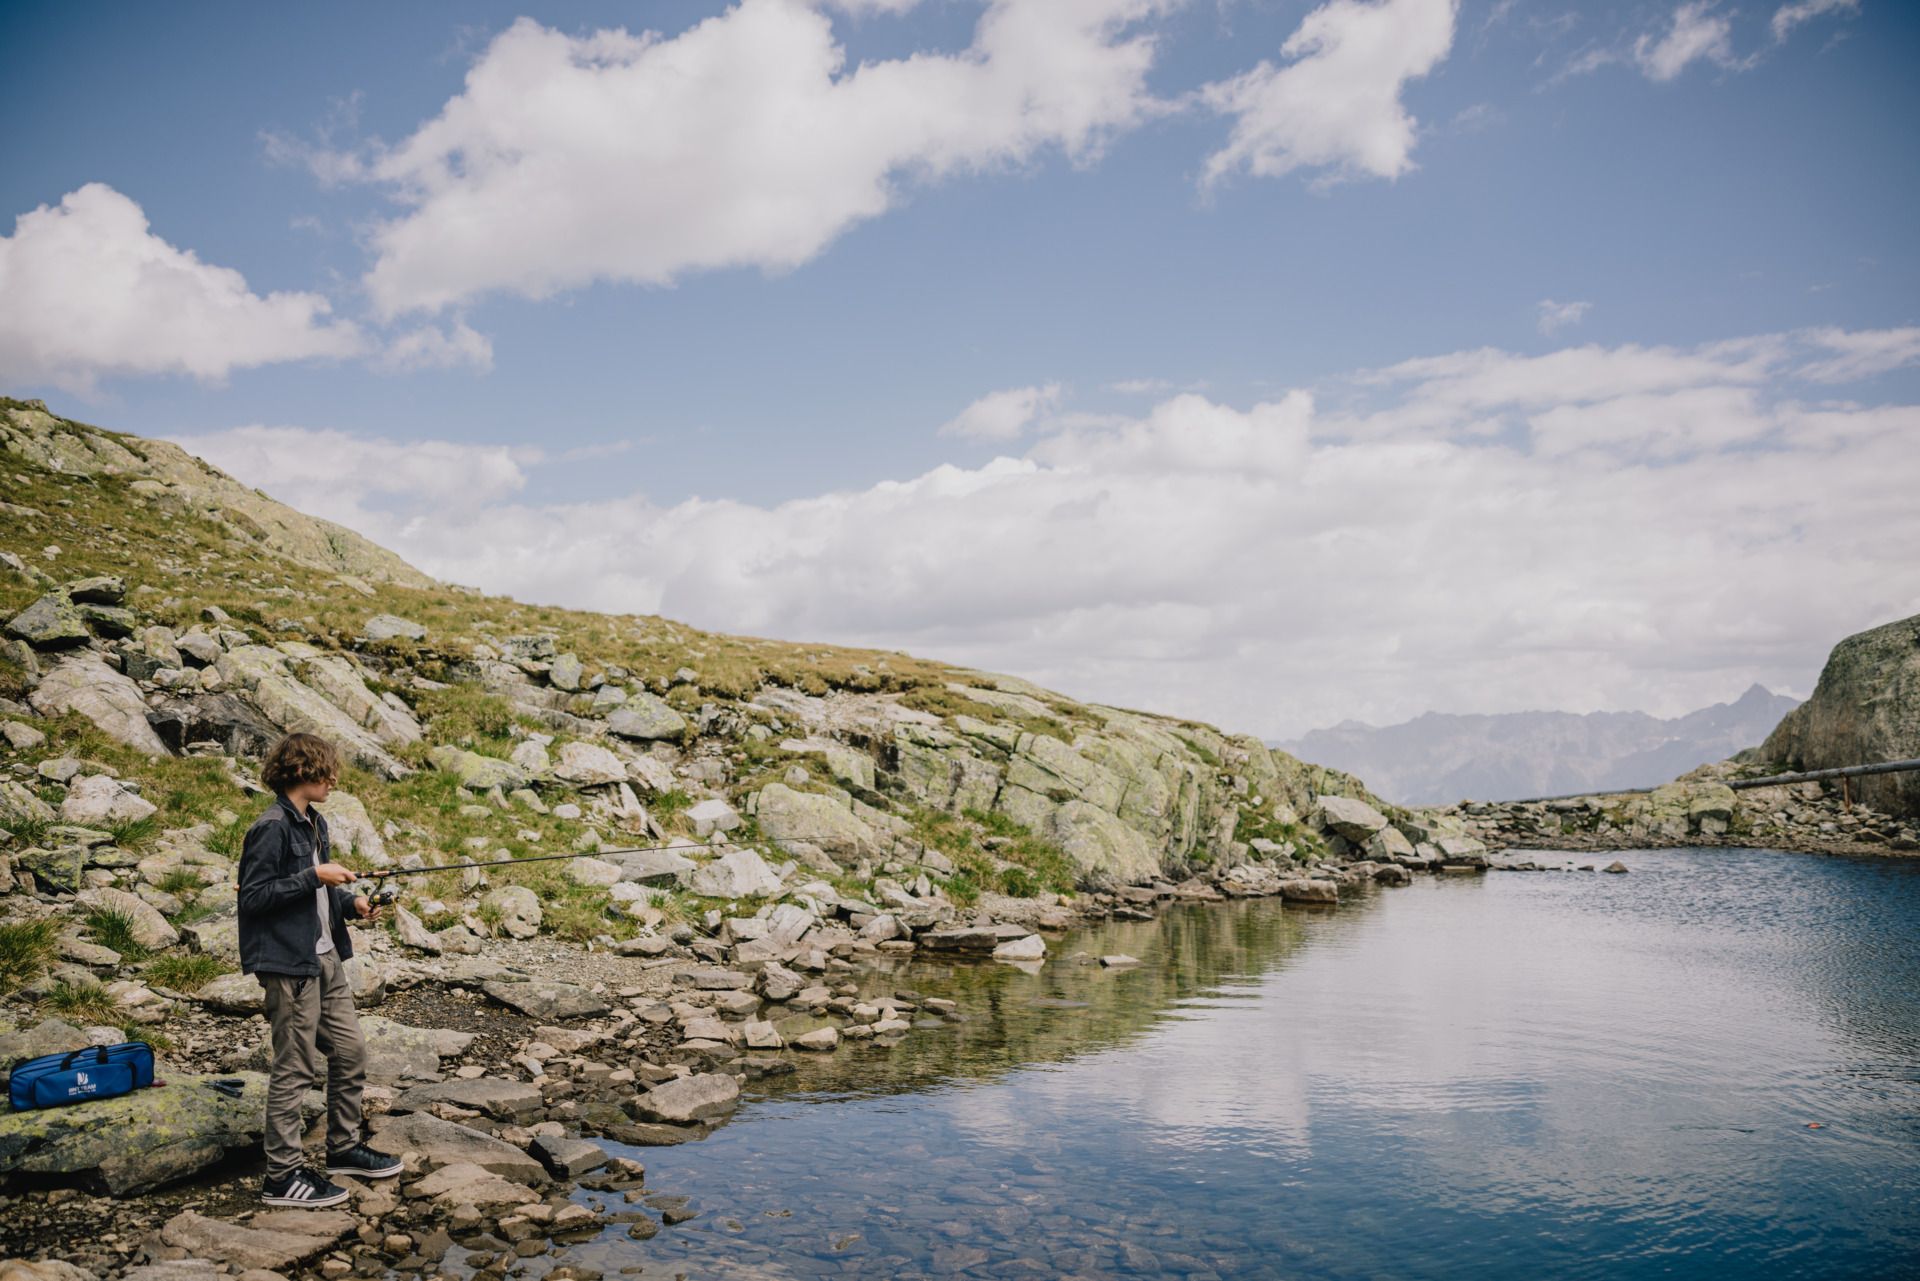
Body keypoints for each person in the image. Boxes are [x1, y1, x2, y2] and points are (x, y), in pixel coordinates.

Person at [238, 731, 403, 1207]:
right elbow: (253, 897)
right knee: (295, 1068)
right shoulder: (270, 827)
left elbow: (320, 892)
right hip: (289, 964)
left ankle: (343, 1148)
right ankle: (282, 1177)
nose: (333, 780)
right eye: (326, 772)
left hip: (326, 957)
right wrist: (314, 875)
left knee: (350, 1052)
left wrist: (351, 903)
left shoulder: (315, 822)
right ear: (301, 771)